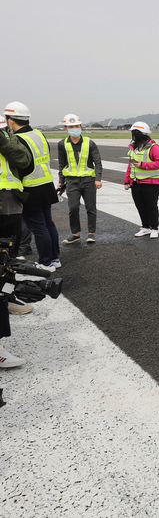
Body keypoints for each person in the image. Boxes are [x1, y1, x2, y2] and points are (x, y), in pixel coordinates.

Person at [4, 102, 61, 272]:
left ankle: (45, 262)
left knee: (39, 228)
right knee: (48, 224)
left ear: (10, 121)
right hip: (46, 184)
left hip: (30, 188)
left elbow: (21, 164)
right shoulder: (39, 134)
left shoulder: (17, 139)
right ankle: (54, 258)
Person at [0, 114, 32, 368]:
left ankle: (8, 297)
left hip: (8, 203)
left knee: (6, 259)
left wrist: (3, 139)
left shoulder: (7, 136)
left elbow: (24, 160)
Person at [57, 114, 102, 245]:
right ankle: (75, 234)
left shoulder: (90, 142)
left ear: (81, 126)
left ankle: (91, 233)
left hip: (88, 180)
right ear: (66, 128)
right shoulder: (62, 144)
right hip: (72, 181)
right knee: (73, 207)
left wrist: (98, 179)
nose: (74, 128)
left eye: (76, 126)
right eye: (71, 127)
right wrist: (61, 182)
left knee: (91, 207)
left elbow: (97, 162)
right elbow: (62, 164)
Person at [124, 121, 159, 239]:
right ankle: (145, 227)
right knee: (140, 206)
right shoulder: (133, 148)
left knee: (151, 206)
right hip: (136, 183)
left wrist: (143, 165)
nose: (133, 136)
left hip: (151, 184)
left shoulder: (154, 147)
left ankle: (154, 228)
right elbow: (130, 166)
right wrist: (127, 181)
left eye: (134, 133)